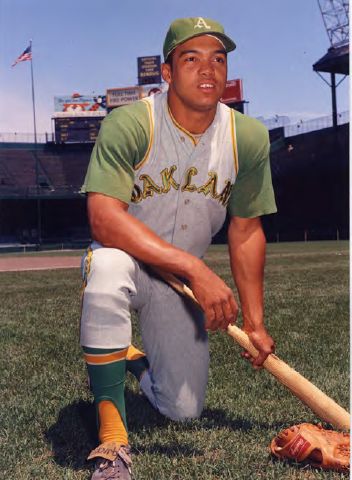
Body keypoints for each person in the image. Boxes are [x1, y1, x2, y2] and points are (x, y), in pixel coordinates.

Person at [80, 16, 277, 480]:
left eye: (218, 59)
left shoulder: (247, 137)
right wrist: (194, 266)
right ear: (167, 72)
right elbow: (104, 218)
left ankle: (136, 361)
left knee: (183, 409)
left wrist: (256, 322)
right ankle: (112, 440)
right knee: (106, 271)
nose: (208, 70)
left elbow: (246, 230)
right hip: (129, 260)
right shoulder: (130, 122)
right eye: (191, 59)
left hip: (181, 287)